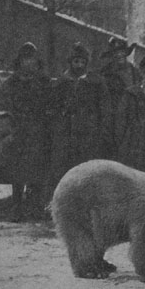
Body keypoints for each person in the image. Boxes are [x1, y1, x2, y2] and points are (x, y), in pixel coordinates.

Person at [46, 42, 113, 193]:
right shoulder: (61, 83)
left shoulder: (96, 83)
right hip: (65, 136)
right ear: (70, 62)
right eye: (76, 61)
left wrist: (100, 132)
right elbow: (52, 109)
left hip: (88, 135)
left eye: (83, 62)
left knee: (86, 172)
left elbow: (105, 110)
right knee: (63, 171)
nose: (79, 65)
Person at [0, 42, 52, 220]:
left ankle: (36, 207)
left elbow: (51, 106)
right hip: (18, 131)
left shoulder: (43, 82)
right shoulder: (11, 83)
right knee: (17, 171)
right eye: (25, 59)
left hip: (38, 131)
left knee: (38, 169)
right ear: (19, 62)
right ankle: (17, 207)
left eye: (32, 59)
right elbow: (3, 108)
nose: (28, 63)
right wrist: (7, 132)